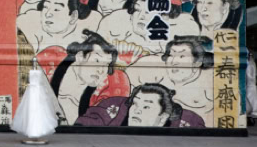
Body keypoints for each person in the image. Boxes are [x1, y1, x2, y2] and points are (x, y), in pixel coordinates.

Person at [42, 30, 126, 125]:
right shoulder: (47, 76)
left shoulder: (98, 99)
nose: (101, 70)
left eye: (106, 64)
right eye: (97, 61)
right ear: (80, 57)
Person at [125, 36, 214, 123]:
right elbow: (126, 80)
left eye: (182, 56)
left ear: (197, 63)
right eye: (171, 55)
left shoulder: (208, 81)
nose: (174, 62)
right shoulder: (154, 67)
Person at [97, 0, 199, 56]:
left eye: (148, 12)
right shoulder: (116, 23)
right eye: (137, 10)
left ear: (165, 17)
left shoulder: (181, 30)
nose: (141, 16)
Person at [75, 83, 205, 128]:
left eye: (146, 107)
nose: (137, 111)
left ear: (163, 118)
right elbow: (88, 121)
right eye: (135, 103)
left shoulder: (188, 121)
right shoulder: (114, 108)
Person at [16, 0, 102, 53]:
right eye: (45, 7)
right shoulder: (29, 21)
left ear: (73, 16)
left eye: (56, 9)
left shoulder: (93, 22)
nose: (48, 14)